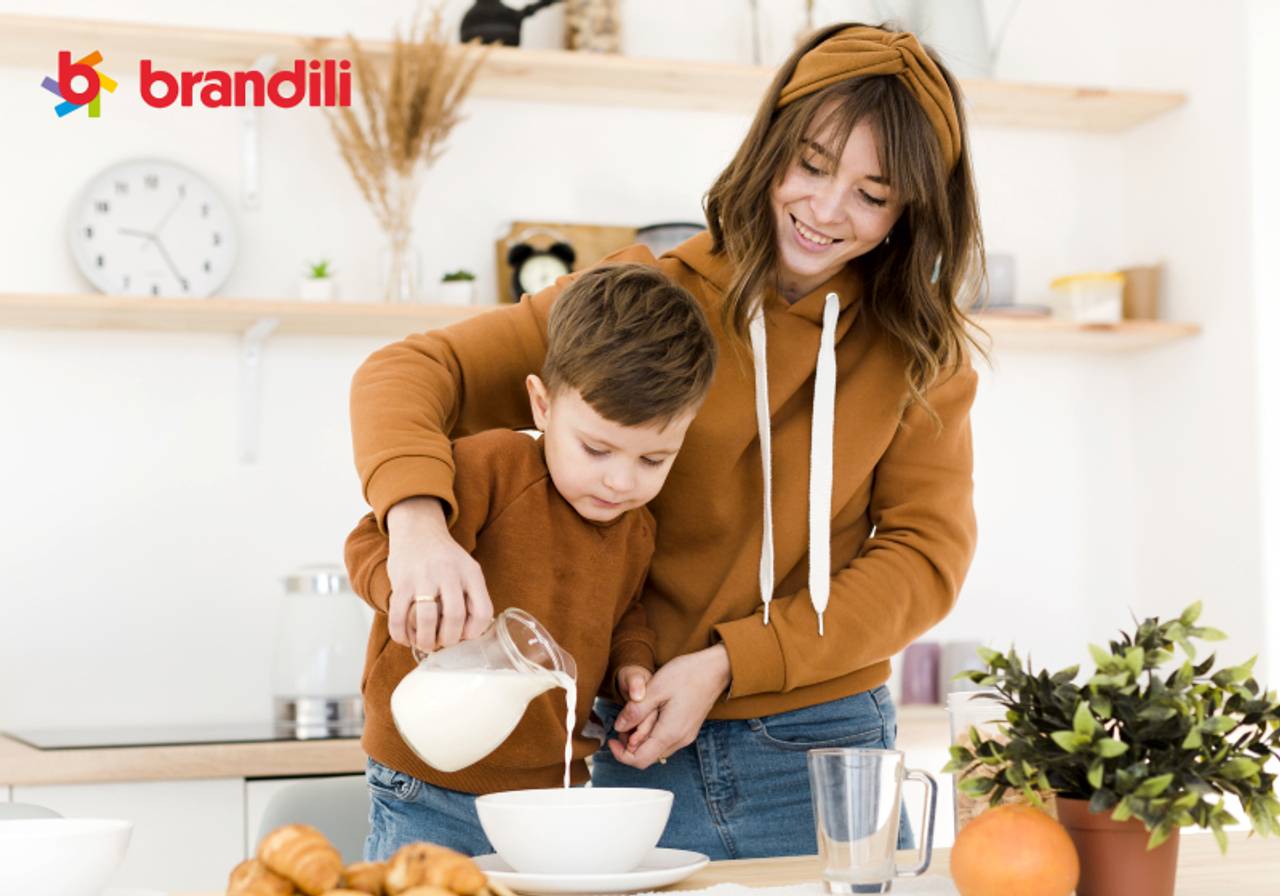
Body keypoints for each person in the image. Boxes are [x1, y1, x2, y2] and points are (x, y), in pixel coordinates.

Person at [347, 21, 984, 860]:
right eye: (814, 167)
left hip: (821, 748)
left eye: (873, 194)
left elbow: (925, 558)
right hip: (625, 757)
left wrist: (727, 663)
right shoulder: (637, 300)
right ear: (770, 148)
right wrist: (419, 529)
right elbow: (407, 372)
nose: (828, 212)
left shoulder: (920, 353)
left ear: (912, 210)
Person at [344, 263, 718, 859]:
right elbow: (370, 543)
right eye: (596, 448)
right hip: (428, 783)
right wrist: (407, 594)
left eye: (654, 460)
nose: (621, 481)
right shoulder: (493, 468)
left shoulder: (637, 529)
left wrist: (632, 665)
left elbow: (627, 617)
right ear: (542, 406)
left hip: (551, 793)